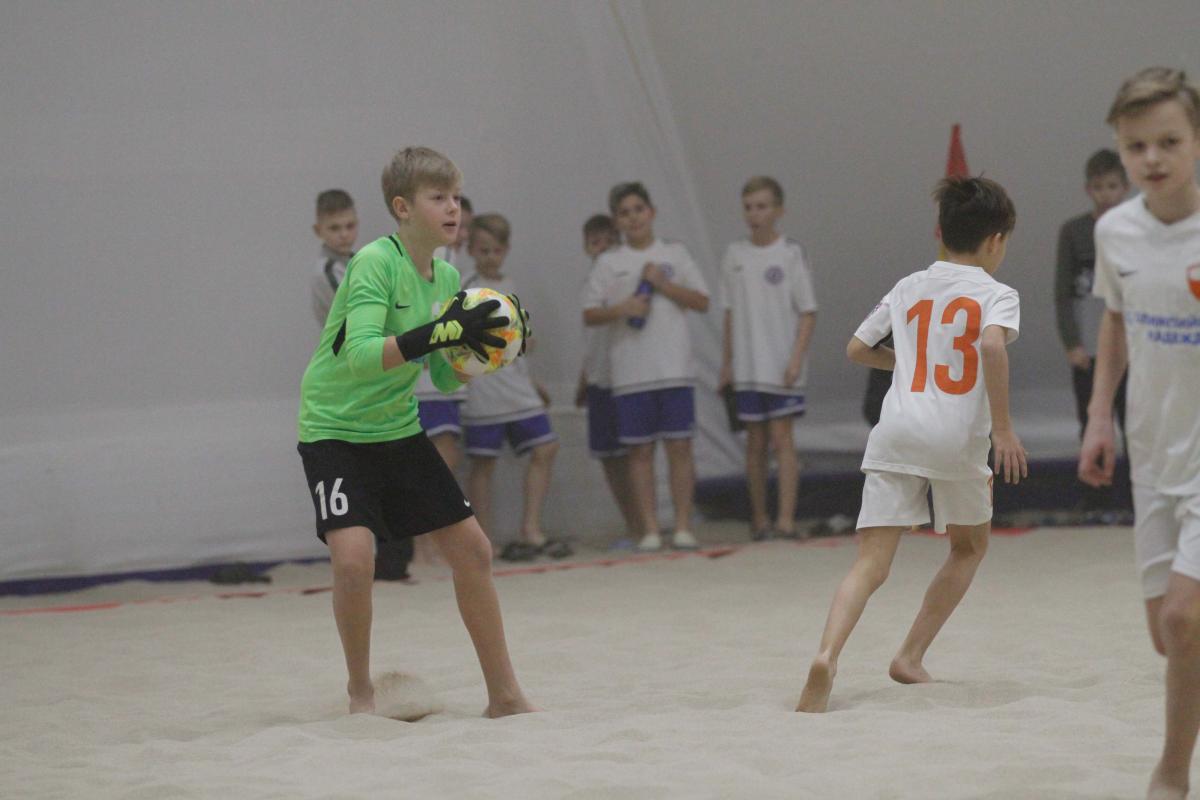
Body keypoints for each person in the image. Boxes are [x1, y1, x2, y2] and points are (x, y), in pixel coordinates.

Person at [296, 146, 535, 718]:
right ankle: (361, 693)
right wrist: (439, 333)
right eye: (438, 198)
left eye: (456, 197)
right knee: (354, 561)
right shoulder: (374, 262)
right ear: (403, 208)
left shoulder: (447, 275)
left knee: (474, 551)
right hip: (333, 428)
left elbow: (443, 376)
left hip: (396, 428)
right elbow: (360, 357)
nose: (454, 208)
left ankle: (505, 697)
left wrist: (487, 352)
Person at [796, 175, 1027, 713]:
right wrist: (1004, 429)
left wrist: (907, 362)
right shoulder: (997, 293)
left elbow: (857, 348)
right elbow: (992, 348)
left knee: (871, 563)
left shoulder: (908, 286)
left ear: (940, 232)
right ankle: (910, 655)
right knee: (969, 547)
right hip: (955, 437)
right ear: (996, 240)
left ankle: (827, 654)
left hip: (897, 429)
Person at [1078, 67, 1200, 800]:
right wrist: (1100, 417)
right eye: (1136, 146)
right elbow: (1116, 320)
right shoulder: (1114, 231)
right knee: (1168, 636)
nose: (1152, 158)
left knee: (1185, 621)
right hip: (1153, 453)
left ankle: (1171, 775)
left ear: (1197, 141)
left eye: (1169, 142)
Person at [582, 182, 710, 552]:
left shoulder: (675, 254)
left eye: (638, 209)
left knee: (679, 447)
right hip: (630, 373)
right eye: (624, 213)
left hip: (674, 369)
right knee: (639, 453)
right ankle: (650, 530)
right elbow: (589, 313)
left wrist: (663, 285)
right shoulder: (609, 263)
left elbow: (702, 301)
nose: (633, 218)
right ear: (616, 221)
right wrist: (622, 309)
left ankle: (682, 526)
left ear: (651, 212)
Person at [460, 213, 566, 562]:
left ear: (505, 250)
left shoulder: (510, 285)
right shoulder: (466, 287)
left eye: (496, 250)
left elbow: (520, 342)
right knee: (483, 462)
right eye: (483, 250)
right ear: (471, 250)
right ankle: (484, 539)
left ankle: (531, 529)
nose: (490, 257)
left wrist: (531, 379)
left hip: (517, 386)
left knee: (545, 447)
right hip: (484, 388)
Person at [718, 176, 817, 541]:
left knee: (782, 439)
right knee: (755, 442)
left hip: (780, 365)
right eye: (748, 207)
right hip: (748, 367)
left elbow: (808, 311)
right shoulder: (734, 255)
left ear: (778, 210)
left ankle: (786, 521)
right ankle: (759, 521)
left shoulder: (790, 253)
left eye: (761, 207)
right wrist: (727, 362)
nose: (754, 214)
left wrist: (796, 359)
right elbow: (729, 313)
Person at [1055, 149, 1130, 514]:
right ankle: (1096, 499)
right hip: (1089, 346)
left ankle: (1136, 499)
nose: (1106, 194)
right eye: (1099, 187)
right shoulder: (1074, 232)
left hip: (1133, 345)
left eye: (1113, 186)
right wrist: (1072, 342)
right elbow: (1062, 292)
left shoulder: (1139, 227)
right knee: (1091, 421)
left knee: (1136, 424)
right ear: (1088, 189)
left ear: (1125, 187)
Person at [575, 214, 641, 544]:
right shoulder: (589, 284)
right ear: (586, 247)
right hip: (598, 379)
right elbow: (591, 340)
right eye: (595, 242)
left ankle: (645, 526)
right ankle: (632, 525)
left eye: (607, 241)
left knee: (632, 457)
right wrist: (584, 377)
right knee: (609, 458)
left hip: (624, 378)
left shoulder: (623, 278)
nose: (601, 248)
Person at [310, 189, 359, 324]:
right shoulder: (327, 271)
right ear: (318, 230)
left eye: (350, 226)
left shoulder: (358, 261)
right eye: (334, 228)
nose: (344, 234)